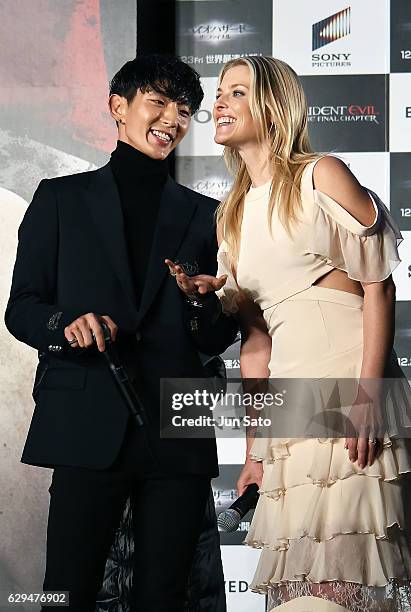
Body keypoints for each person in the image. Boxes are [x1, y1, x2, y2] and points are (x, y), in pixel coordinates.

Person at [169, 55, 411, 611]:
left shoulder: (320, 172)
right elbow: (257, 345)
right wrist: (255, 450)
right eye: (220, 92)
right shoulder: (232, 212)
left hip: (350, 394)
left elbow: (379, 285)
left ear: (273, 106)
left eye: (236, 91)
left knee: (341, 583)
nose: (219, 104)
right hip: (292, 412)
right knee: (296, 591)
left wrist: (370, 396)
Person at [4, 54, 237, 612]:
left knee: (165, 597)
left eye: (184, 110)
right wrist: (67, 324)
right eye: (158, 102)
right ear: (118, 107)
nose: (172, 119)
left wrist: (202, 304)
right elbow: (23, 309)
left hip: (176, 429)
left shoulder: (207, 215)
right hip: (85, 423)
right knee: (65, 592)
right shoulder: (59, 199)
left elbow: (214, 337)